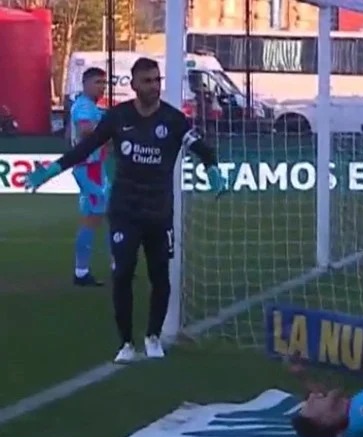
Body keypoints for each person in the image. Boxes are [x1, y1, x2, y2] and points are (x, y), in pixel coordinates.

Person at [25, 57, 228, 363]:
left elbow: (203, 148)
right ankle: (126, 343)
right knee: (122, 275)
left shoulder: (173, 120)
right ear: (133, 85)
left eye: (157, 80)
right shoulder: (118, 117)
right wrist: (50, 171)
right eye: (147, 81)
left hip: (159, 212)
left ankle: (153, 336)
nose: (154, 86)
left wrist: (212, 168)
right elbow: (85, 147)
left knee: (160, 276)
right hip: (125, 210)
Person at [69, 67, 111, 286]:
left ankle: (116, 265)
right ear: (85, 84)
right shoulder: (84, 106)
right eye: (97, 82)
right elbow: (85, 129)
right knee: (94, 217)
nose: (102, 87)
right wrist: (110, 129)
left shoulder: (90, 106)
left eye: (104, 83)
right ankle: (81, 272)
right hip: (89, 167)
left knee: (108, 213)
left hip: (94, 167)